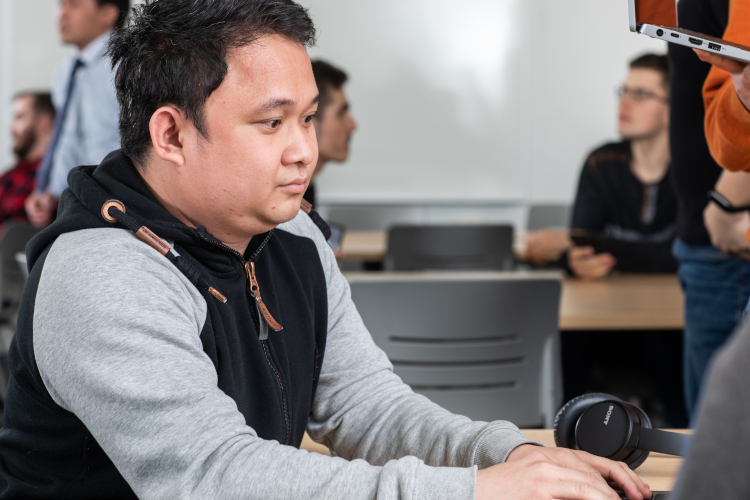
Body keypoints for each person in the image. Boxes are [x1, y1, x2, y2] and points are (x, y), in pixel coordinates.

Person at [0, 1, 652, 499]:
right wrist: (476, 491)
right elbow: (213, 477)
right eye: (271, 122)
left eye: (308, 118)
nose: (302, 150)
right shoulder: (102, 270)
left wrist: (508, 457)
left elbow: (366, 407)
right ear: (170, 133)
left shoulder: (292, 234)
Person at [665, 0, 750, 418]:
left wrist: (726, 200)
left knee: (722, 427)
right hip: (704, 239)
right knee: (709, 426)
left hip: (727, 234)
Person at [528, 54, 678, 280]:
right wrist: (575, 261)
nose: (624, 102)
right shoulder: (601, 162)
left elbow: (679, 255)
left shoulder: (695, 170)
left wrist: (593, 244)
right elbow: (581, 249)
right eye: (624, 91)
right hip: (608, 301)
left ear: (672, 108)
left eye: (640, 94)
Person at [24, 0, 127, 229]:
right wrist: (48, 191)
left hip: (120, 202)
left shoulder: (126, 63)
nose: (61, 14)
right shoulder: (65, 69)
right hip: (82, 201)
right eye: (60, 6)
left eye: (73, 5)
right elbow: (66, 139)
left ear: (108, 13)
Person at [302, 59, 357, 207]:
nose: (353, 126)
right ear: (309, 122)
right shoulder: (279, 201)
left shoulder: (307, 191)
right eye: (341, 113)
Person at [1, 93, 54, 225]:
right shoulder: (9, 176)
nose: (11, 127)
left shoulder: (57, 178)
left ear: (43, 122)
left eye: (20, 117)